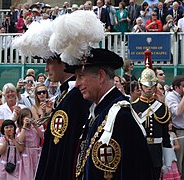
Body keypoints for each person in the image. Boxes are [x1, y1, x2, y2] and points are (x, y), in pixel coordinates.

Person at [46, 10, 156, 180]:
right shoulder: (98, 113)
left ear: (101, 76)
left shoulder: (121, 115)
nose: (77, 83)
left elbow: (135, 171)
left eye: (81, 76)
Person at [12, 18, 91, 180]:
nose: (46, 68)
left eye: (49, 62)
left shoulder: (75, 97)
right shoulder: (66, 94)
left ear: (63, 62)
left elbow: (67, 147)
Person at [132, 50, 172, 179]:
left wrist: (167, 161)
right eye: (146, 85)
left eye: (151, 85)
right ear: (140, 85)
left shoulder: (161, 108)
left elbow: (165, 136)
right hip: (138, 153)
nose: (149, 88)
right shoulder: (133, 107)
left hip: (156, 153)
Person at [165, 76, 184, 179]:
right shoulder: (171, 97)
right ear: (176, 87)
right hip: (179, 132)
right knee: (180, 160)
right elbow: (178, 112)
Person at [17, 108, 43, 180]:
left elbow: (42, 136)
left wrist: (35, 125)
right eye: (26, 118)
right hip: (26, 154)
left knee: (37, 173)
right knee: (27, 175)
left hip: (36, 152)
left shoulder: (36, 127)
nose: (28, 120)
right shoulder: (19, 129)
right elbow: (20, 141)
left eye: (29, 117)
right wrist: (24, 127)